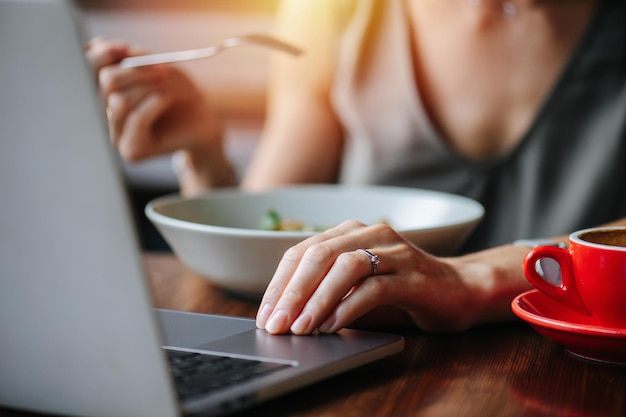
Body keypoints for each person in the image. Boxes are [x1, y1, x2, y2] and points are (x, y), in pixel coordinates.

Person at [87, 0, 626, 335]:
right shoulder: (332, 9)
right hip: (362, 356)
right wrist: (201, 151)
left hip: (573, 364)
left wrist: (471, 279)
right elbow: (274, 236)